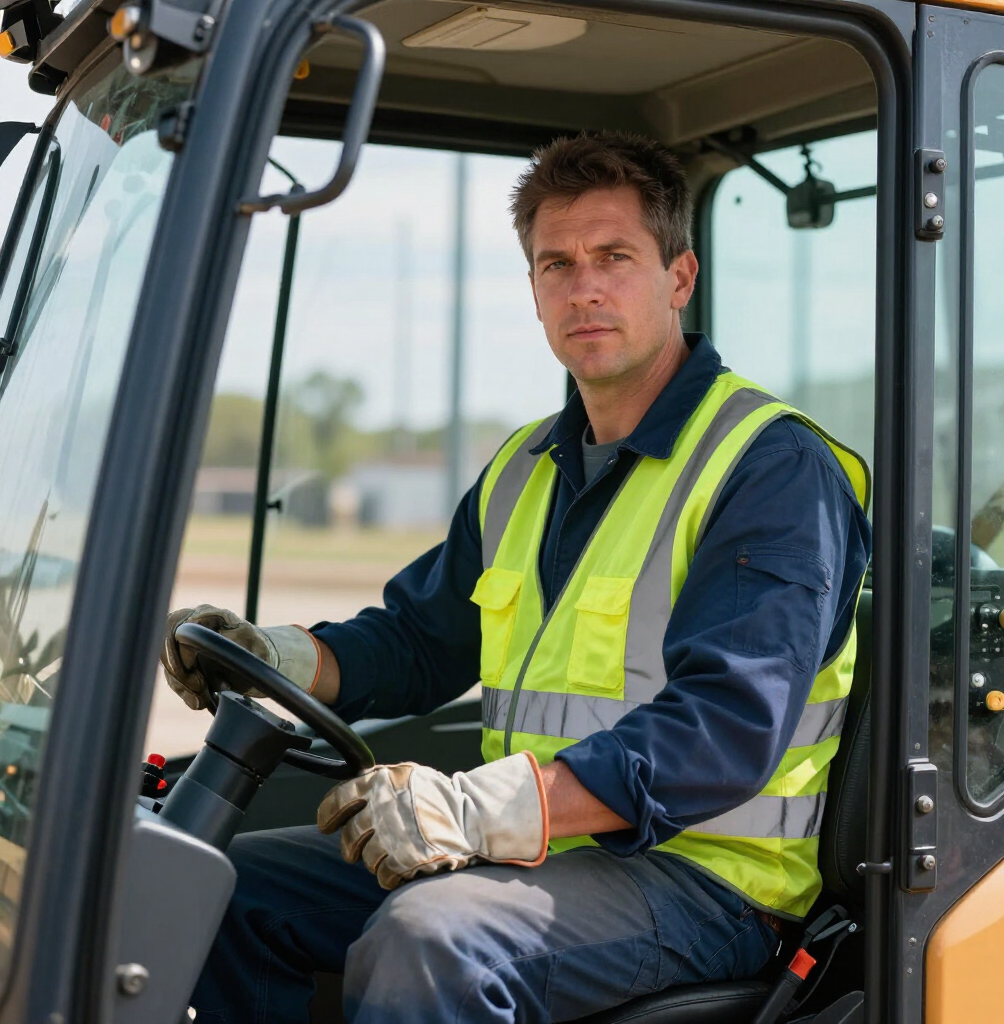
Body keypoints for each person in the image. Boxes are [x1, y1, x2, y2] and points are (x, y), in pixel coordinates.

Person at [166, 131, 871, 1024]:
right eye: (556, 264)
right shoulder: (524, 468)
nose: (585, 288)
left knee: (431, 939)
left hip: (709, 883)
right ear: (533, 290)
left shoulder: (769, 467)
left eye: (615, 257)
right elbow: (419, 640)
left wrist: (468, 810)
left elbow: (724, 731)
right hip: (540, 849)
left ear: (679, 278)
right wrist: (271, 653)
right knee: (224, 882)